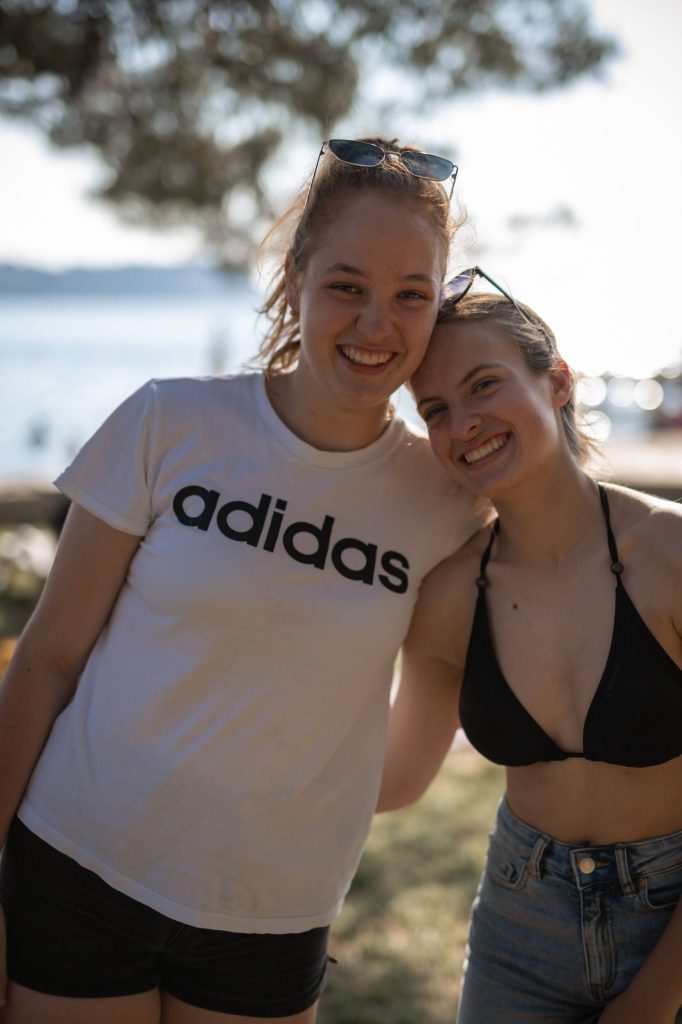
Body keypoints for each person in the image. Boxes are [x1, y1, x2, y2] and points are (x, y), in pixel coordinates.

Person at [0, 139, 490, 1024]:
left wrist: (292, 797)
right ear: (296, 278)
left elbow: (410, 759)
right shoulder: (169, 420)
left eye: (410, 296)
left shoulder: (448, 503)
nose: (376, 324)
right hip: (77, 863)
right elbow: (45, 661)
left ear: (437, 307)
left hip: (272, 912)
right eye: (347, 285)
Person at [378, 273, 682, 1024]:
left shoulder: (669, 555)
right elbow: (395, 778)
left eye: (484, 385)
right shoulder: (451, 595)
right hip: (521, 925)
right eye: (435, 410)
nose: (463, 424)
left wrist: (655, 996)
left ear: (558, 382)